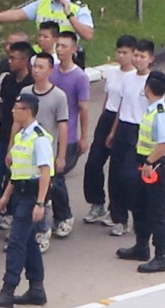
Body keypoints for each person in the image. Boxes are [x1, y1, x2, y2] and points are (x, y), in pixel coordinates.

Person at [0, 94, 53, 308]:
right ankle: (36, 288)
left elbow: (45, 172)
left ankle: (8, 290)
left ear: (28, 111)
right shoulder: (23, 136)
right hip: (20, 194)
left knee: (16, 242)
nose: (14, 111)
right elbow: (19, 170)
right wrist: (6, 195)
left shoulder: (39, 138)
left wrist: (41, 203)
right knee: (29, 242)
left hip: (32, 197)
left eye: (18, 107)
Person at [115, 71, 165, 273]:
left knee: (156, 211)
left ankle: (161, 257)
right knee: (140, 206)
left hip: (158, 167)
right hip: (148, 164)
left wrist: (149, 162)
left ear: (148, 89)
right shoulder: (152, 110)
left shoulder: (160, 113)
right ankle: (141, 246)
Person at [83, 35, 136, 224]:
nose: (121, 56)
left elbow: (125, 103)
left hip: (123, 121)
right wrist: (103, 118)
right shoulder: (113, 73)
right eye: (119, 52)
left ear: (133, 54)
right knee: (93, 163)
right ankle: (97, 203)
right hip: (108, 118)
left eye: (125, 53)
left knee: (118, 170)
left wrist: (114, 131)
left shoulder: (134, 77)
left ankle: (118, 211)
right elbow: (109, 98)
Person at [0, 41, 34, 234]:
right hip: (2, 136)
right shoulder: (7, 80)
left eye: (13, 58)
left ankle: (16, 219)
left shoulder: (30, 86)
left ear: (24, 60)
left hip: (22, 141)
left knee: (18, 182)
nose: (9, 61)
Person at [106, 40, 154, 236]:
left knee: (130, 177)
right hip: (123, 128)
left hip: (141, 131)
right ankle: (119, 219)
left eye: (143, 57)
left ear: (151, 59)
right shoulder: (128, 78)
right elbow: (121, 106)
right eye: (136, 55)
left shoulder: (153, 82)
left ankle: (140, 215)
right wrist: (112, 132)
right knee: (115, 175)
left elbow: (154, 113)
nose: (138, 60)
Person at [23, 53, 68, 253]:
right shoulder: (25, 92)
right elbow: (18, 122)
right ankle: (25, 231)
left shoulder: (59, 96)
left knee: (44, 193)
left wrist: (61, 155)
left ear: (51, 70)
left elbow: (63, 126)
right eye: (34, 66)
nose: (36, 71)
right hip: (25, 153)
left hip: (45, 152)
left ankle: (43, 230)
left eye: (41, 67)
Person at [49, 31, 90, 238]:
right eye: (58, 45)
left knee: (57, 176)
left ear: (74, 50)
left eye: (64, 46)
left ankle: (65, 216)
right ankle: (57, 214)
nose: (60, 49)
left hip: (70, 135)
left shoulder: (80, 77)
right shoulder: (52, 72)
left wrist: (84, 137)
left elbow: (83, 108)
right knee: (50, 176)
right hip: (50, 134)